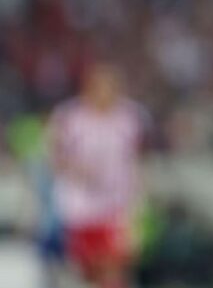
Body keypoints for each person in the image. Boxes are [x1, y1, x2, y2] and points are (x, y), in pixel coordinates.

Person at [48, 62, 147, 288]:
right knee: (89, 271)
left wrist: (139, 196)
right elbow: (55, 158)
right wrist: (78, 169)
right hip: (81, 206)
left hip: (117, 205)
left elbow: (136, 157)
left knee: (115, 266)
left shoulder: (129, 117)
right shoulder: (69, 116)